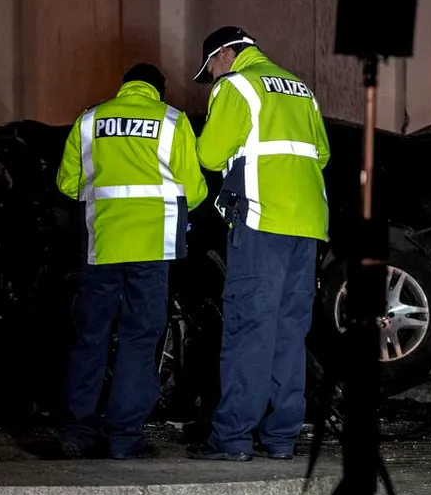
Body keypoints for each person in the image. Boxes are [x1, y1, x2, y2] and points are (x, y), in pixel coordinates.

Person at [184, 26, 331, 462]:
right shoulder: (300, 87)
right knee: (290, 332)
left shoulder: (236, 86)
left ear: (226, 54)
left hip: (261, 219)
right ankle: (282, 437)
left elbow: (209, 155)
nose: (210, 77)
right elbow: (320, 154)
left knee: (250, 327)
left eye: (210, 67)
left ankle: (231, 437)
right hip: (306, 225)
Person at [56, 63, 208, 460]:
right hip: (152, 247)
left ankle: (76, 434)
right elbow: (194, 191)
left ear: (124, 88)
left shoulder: (90, 119)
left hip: (102, 245)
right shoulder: (171, 120)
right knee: (140, 339)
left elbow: (67, 183)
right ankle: (124, 439)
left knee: (91, 336)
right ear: (157, 91)